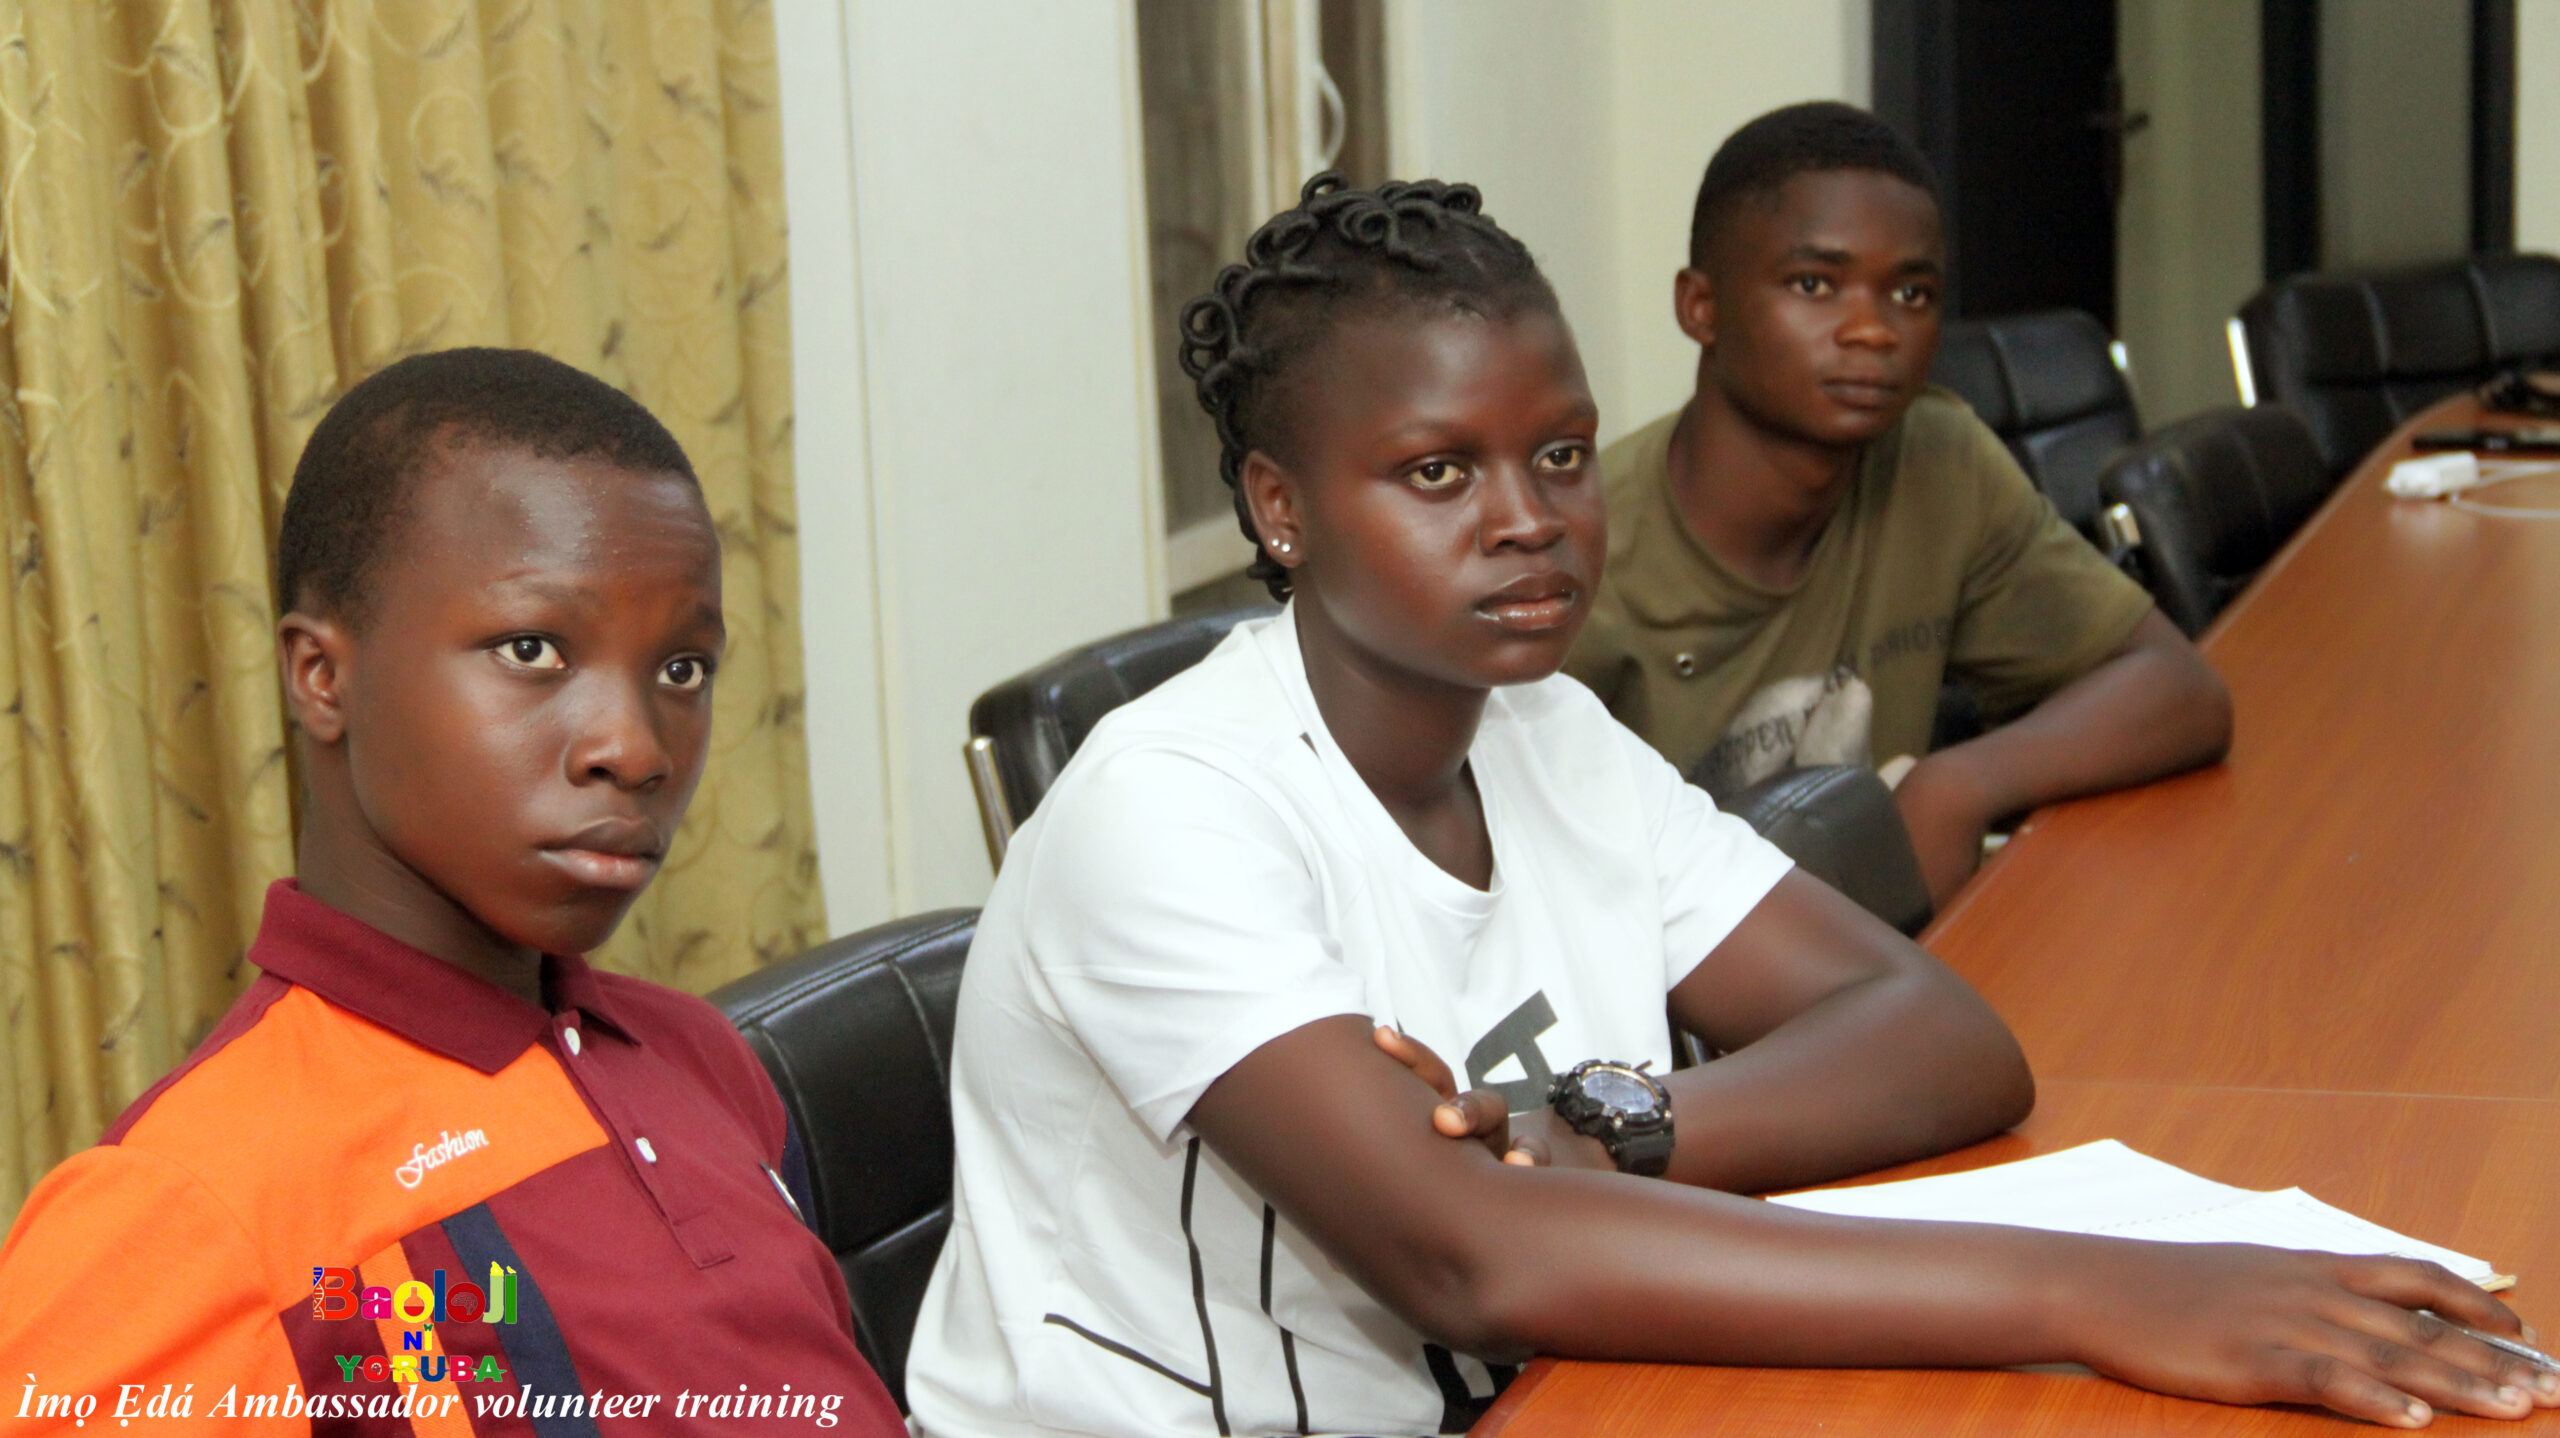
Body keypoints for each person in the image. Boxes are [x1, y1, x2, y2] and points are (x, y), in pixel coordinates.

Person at [899, 175, 2553, 1438]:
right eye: (1436, 471)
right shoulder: (1166, 810)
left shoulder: (1545, 727)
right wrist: (2093, 1282)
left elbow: (1943, 1037)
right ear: (1279, 506)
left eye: (1556, 456)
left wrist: (1611, 1128)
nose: (1529, 519)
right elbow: (1466, 1257)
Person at [0, 350, 904, 1436]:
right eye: (533, 649)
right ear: (321, 676)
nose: (634, 747)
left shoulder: (694, 1053)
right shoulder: (192, 1209)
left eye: (681, 669)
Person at [1565, 102, 2232, 906]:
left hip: (1884, 977)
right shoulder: (1572, 551)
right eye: (1815, 284)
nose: (1873, 331)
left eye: (1911, 294)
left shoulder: (1937, 458)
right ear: (1700, 307)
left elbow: (2177, 689)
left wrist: (1957, 784)